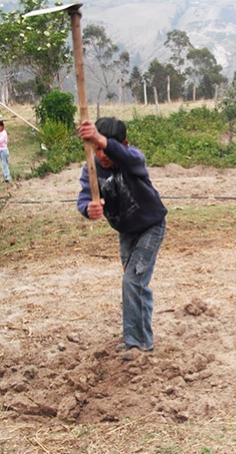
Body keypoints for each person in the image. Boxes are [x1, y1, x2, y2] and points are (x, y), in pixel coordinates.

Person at [76, 117, 167, 361]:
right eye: (96, 149)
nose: (102, 155)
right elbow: (85, 196)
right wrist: (89, 209)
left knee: (132, 281)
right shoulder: (92, 168)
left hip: (151, 226)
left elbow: (132, 157)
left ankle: (138, 343)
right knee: (134, 283)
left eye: (105, 148)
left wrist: (100, 139)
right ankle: (137, 336)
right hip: (126, 232)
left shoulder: (132, 159)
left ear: (123, 145)